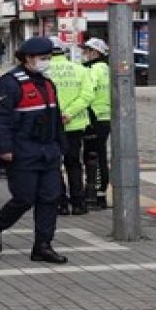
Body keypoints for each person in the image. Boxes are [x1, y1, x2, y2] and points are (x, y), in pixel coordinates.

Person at [0, 36, 67, 264]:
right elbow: (0, 119)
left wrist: (61, 146)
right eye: (43, 58)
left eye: (48, 57)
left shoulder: (47, 83)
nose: (47, 61)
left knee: (50, 198)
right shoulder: (11, 83)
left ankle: (43, 246)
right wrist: (5, 148)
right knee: (24, 198)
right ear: (28, 58)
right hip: (23, 150)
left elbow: (55, 118)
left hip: (48, 150)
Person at [47, 38, 94, 216]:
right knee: (74, 164)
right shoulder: (80, 69)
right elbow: (87, 96)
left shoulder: (43, 71)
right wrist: (69, 113)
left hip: (51, 125)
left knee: (54, 165)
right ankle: (78, 203)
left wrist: (58, 115)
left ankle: (61, 203)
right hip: (74, 125)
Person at [81, 38, 112, 210]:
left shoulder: (94, 70)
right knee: (100, 156)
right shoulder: (107, 68)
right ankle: (100, 195)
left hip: (95, 118)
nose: (84, 54)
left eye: (86, 51)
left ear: (95, 52)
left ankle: (93, 194)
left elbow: (88, 92)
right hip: (105, 118)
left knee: (92, 157)